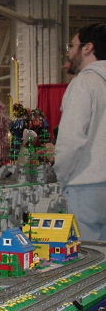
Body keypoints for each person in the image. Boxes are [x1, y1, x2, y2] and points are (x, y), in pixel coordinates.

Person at [55, 23, 106, 241]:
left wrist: (60, 175)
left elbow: (71, 141)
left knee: (86, 254)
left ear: (87, 48)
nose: (69, 52)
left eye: (72, 46)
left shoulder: (84, 83)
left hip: (86, 187)